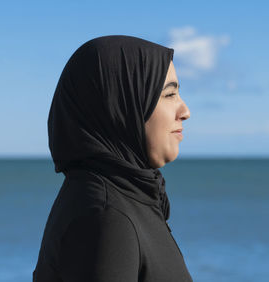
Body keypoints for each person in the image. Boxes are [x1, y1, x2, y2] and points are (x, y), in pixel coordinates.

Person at [32, 35, 192, 282]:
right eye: (169, 95)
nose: (185, 111)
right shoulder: (106, 217)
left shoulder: (130, 197)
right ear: (121, 105)